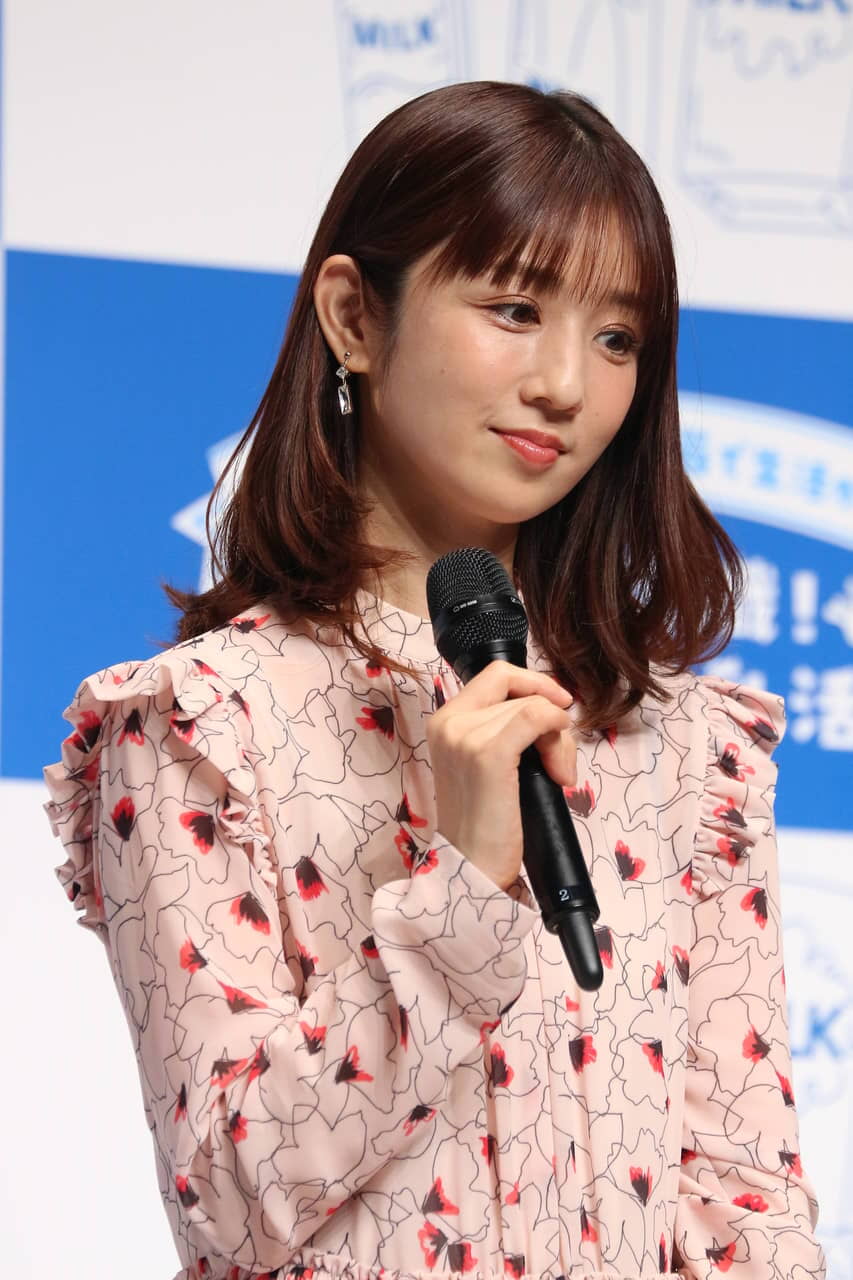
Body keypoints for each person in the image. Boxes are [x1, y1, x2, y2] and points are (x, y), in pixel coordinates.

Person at [43, 81, 825, 1280]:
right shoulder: (204, 724)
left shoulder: (686, 746)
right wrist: (458, 884)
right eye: (514, 308)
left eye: (617, 338)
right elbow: (232, 1199)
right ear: (355, 316)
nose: (566, 384)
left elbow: (748, 1204)